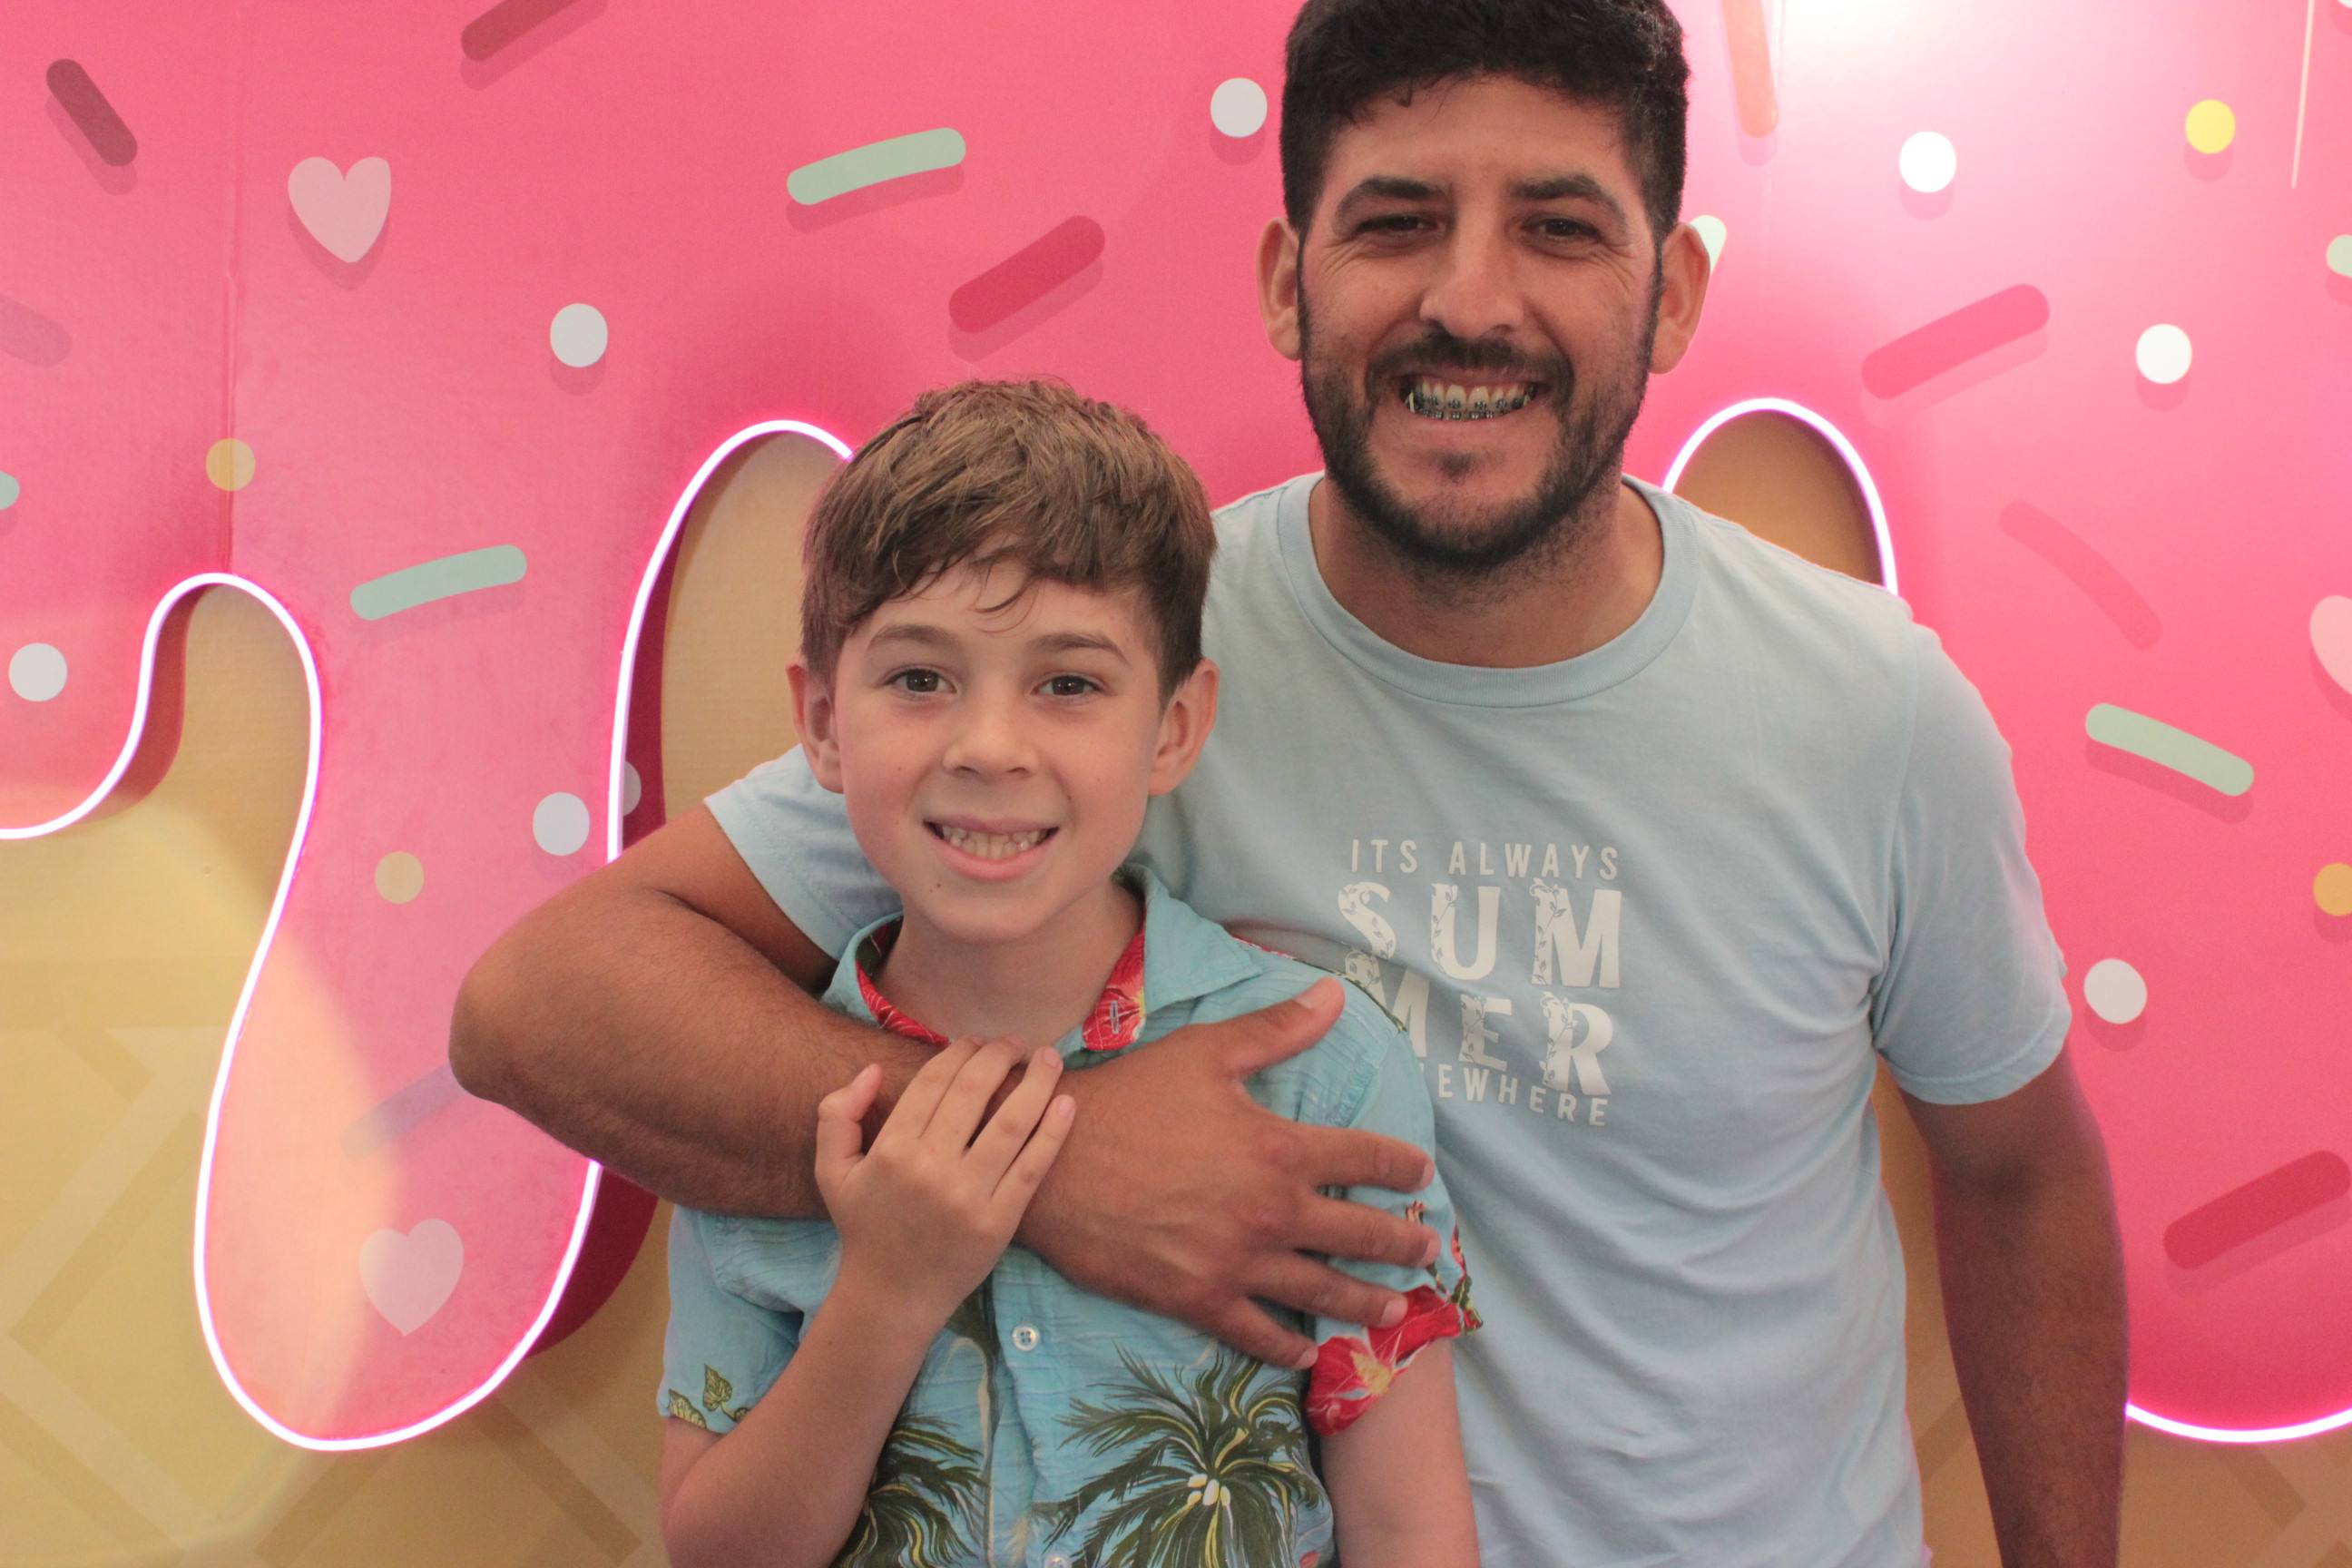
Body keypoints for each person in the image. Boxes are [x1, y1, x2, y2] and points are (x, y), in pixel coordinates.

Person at [451, 1, 2127, 1563]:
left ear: (1672, 292)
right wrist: (1064, 1166)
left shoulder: (1871, 710)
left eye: (1560, 226)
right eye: (1397, 221)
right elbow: (540, 1006)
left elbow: (2022, 1178)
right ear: (1286, 279)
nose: (1472, 300)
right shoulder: (1103, 666)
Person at [652, 378, 1478, 1568]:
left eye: (1070, 684)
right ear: (824, 722)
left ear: (1174, 728)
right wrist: (886, 1294)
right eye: (920, 678)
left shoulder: (1327, 1071)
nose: (990, 747)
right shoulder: (757, 1095)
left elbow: (1409, 1525)